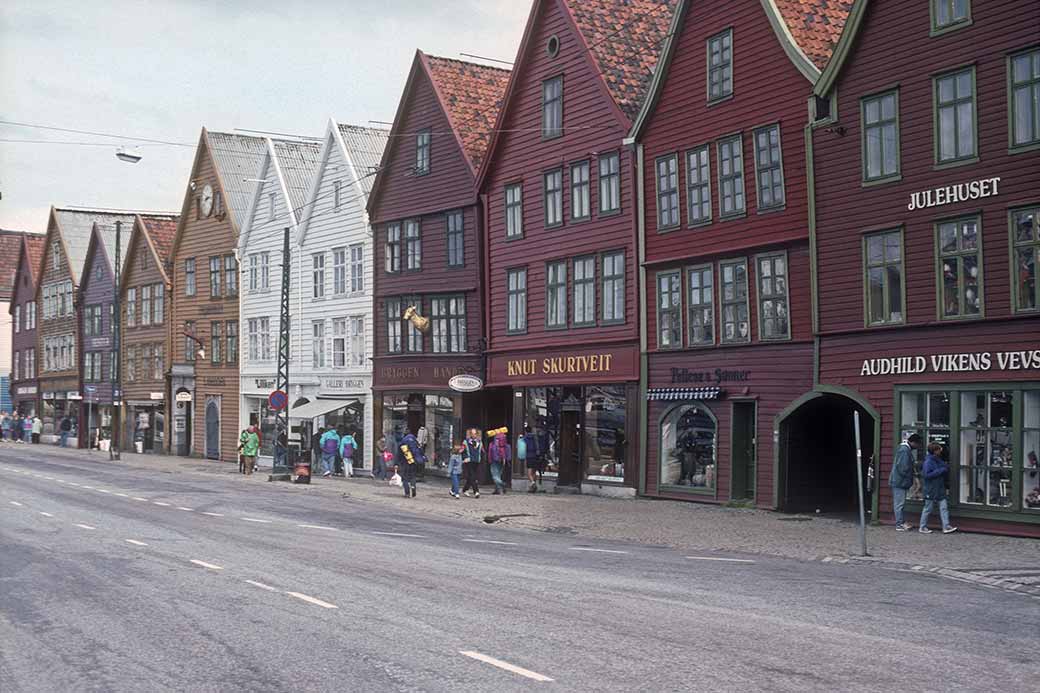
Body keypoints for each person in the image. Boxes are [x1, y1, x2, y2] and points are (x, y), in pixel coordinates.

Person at [919, 443, 957, 534]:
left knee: (944, 507)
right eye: (939, 449)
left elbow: (945, 466)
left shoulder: (937, 460)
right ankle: (922, 527)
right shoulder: (928, 462)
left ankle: (946, 526)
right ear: (935, 451)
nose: (941, 451)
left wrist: (943, 467)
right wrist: (941, 470)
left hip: (939, 487)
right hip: (931, 488)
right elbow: (926, 475)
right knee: (928, 508)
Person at [889, 433, 920, 531]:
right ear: (913, 442)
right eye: (917, 444)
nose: (918, 446)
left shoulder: (904, 449)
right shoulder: (904, 450)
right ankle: (899, 524)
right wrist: (911, 475)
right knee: (899, 504)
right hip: (900, 481)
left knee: (899, 503)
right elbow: (903, 468)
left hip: (899, 481)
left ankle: (901, 522)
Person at [398, 430, 425, 498]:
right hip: (413, 462)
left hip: (405, 462)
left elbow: (399, 454)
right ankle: (413, 487)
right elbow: (420, 451)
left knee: (405, 478)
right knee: (412, 476)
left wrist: (397, 463)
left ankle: (407, 493)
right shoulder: (414, 441)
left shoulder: (403, 442)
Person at [488, 429, 511, 495]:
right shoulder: (504, 442)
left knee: (494, 475)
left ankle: (502, 484)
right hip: (503, 458)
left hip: (494, 459)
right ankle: (497, 489)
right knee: (499, 474)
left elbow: (490, 452)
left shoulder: (492, 444)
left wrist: (489, 459)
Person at [462, 428, 483, 498]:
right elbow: (462, 451)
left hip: (476, 460)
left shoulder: (479, 442)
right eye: (472, 433)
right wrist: (464, 458)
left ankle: (465, 489)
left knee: (471, 476)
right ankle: (476, 491)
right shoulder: (466, 442)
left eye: (475, 433)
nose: (474, 435)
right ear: (470, 434)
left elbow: (482, 451)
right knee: (473, 476)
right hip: (469, 460)